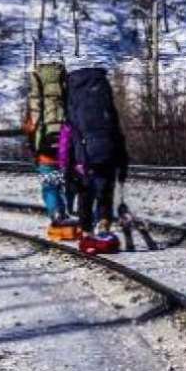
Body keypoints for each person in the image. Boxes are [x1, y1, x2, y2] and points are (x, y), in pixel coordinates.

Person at [60, 66, 130, 243]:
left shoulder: (72, 97)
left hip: (83, 157)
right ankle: (104, 226)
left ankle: (86, 232)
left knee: (86, 193)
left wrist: (66, 165)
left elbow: (68, 133)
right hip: (108, 152)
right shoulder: (103, 93)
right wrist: (123, 161)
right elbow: (116, 129)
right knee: (106, 191)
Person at [23, 61, 71, 226]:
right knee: (63, 183)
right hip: (66, 147)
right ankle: (67, 212)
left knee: (50, 185)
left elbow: (30, 126)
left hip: (45, 150)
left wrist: (32, 147)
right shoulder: (66, 93)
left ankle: (56, 213)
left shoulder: (36, 99)